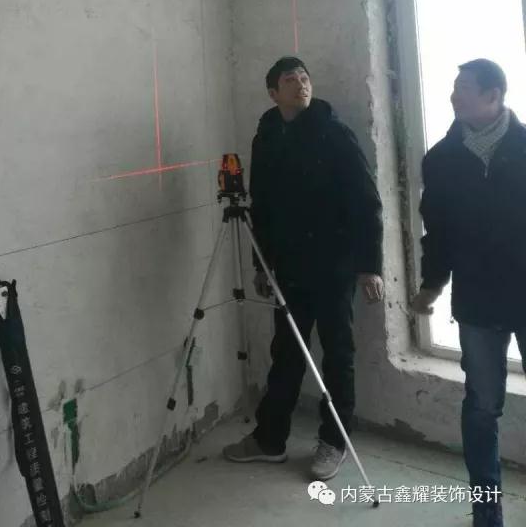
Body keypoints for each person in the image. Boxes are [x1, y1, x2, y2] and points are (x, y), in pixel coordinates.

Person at [223, 56, 384, 479]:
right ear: (273, 93)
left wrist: (370, 266)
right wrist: (262, 266)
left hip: (334, 266)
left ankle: (335, 441)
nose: (301, 84)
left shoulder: (334, 133)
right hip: (290, 267)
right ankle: (270, 439)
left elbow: (366, 202)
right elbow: (262, 206)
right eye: (290, 80)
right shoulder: (266, 138)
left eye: (304, 77)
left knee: (337, 355)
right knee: (287, 353)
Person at [412, 59, 526, 527]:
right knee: (481, 407)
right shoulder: (442, 159)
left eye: (464, 88)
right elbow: (437, 233)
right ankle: (486, 508)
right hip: (477, 299)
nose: (454, 96)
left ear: (493, 96)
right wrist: (430, 285)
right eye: (453, 87)